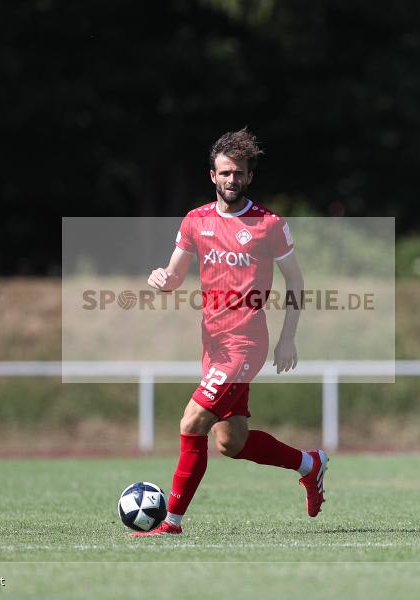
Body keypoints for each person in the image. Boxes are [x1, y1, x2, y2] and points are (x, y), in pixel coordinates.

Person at [133, 128, 328, 537]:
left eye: (239, 173)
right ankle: (310, 465)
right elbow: (174, 275)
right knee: (231, 443)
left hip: (246, 342)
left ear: (249, 177)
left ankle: (171, 522)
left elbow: (296, 282)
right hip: (213, 344)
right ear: (212, 176)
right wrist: (161, 279)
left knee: (191, 423)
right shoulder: (195, 221)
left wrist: (288, 337)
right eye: (224, 173)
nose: (231, 180)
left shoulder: (268, 224)